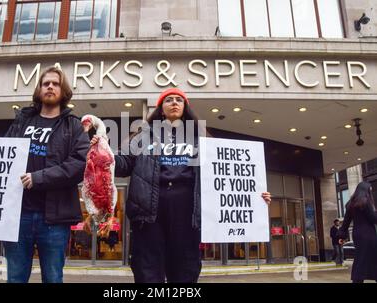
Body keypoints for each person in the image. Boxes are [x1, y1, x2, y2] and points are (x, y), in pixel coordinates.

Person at [91, 88, 271, 283]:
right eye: (169, 100)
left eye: (179, 100)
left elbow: (226, 174)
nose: (174, 103)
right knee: (147, 269)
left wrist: (254, 194)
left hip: (187, 212)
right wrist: (103, 151)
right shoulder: (142, 136)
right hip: (148, 212)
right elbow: (123, 164)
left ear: (185, 107)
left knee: (185, 269)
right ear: (161, 108)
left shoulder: (201, 138)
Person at [0, 66, 89, 283]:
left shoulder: (73, 126)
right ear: (39, 90)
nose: (50, 87)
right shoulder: (22, 121)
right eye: (46, 83)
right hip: (17, 217)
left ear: (63, 91)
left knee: (53, 278)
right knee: (15, 278)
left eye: (55, 83)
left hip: (54, 220)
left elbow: (79, 165)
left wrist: (39, 178)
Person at [338, 181, 377, 283]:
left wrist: (341, 236)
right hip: (368, 234)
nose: (371, 191)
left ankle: (357, 280)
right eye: (370, 189)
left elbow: (346, 222)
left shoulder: (350, 204)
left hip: (357, 234)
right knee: (372, 257)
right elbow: (373, 218)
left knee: (361, 258)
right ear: (366, 190)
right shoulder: (366, 202)